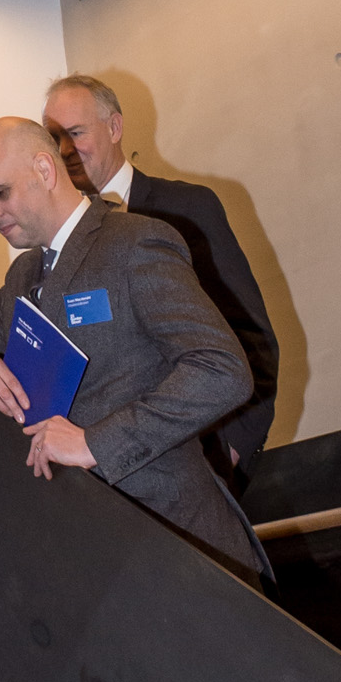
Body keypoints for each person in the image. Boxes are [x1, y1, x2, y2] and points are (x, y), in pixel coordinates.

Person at [0, 115, 266, 578]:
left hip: (178, 541)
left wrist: (94, 443)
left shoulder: (135, 242)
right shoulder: (24, 276)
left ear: (44, 169)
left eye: (0, 193)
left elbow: (223, 370)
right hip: (88, 547)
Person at [43, 72, 278, 480]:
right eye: (53, 138)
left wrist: (229, 452)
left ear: (114, 127)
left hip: (197, 469)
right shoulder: (56, 242)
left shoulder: (187, 208)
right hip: (104, 476)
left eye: (76, 133)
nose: (65, 150)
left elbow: (250, 338)